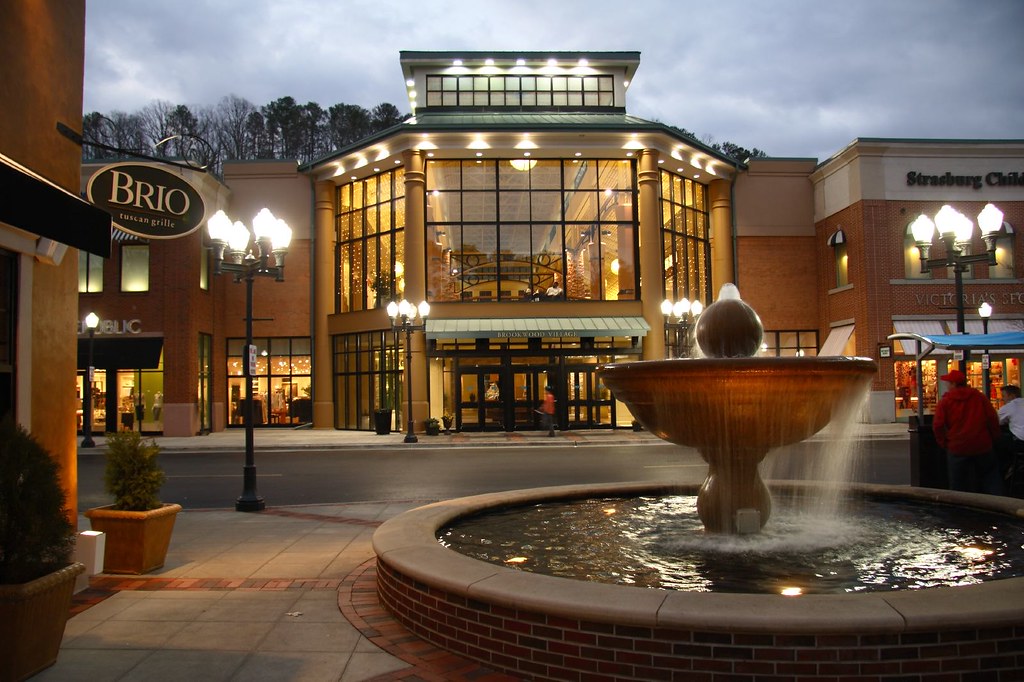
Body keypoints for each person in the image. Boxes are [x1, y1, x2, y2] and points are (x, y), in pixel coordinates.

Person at [933, 369, 1002, 495]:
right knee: (989, 477)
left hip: (958, 446)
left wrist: (944, 443)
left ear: (953, 384)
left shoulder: (946, 401)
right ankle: (997, 505)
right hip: (982, 444)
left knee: (958, 483)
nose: (946, 385)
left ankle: (959, 510)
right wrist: (994, 438)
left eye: (948, 382)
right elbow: (992, 419)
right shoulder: (979, 397)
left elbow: (938, 425)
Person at [997, 384, 1024, 486]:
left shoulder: (1010, 406)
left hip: (1020, 443)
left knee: (1000, 443)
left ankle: (1006, 473)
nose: (1002, 399)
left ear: (1011, 396)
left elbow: (996, 421)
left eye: (1004, 396)